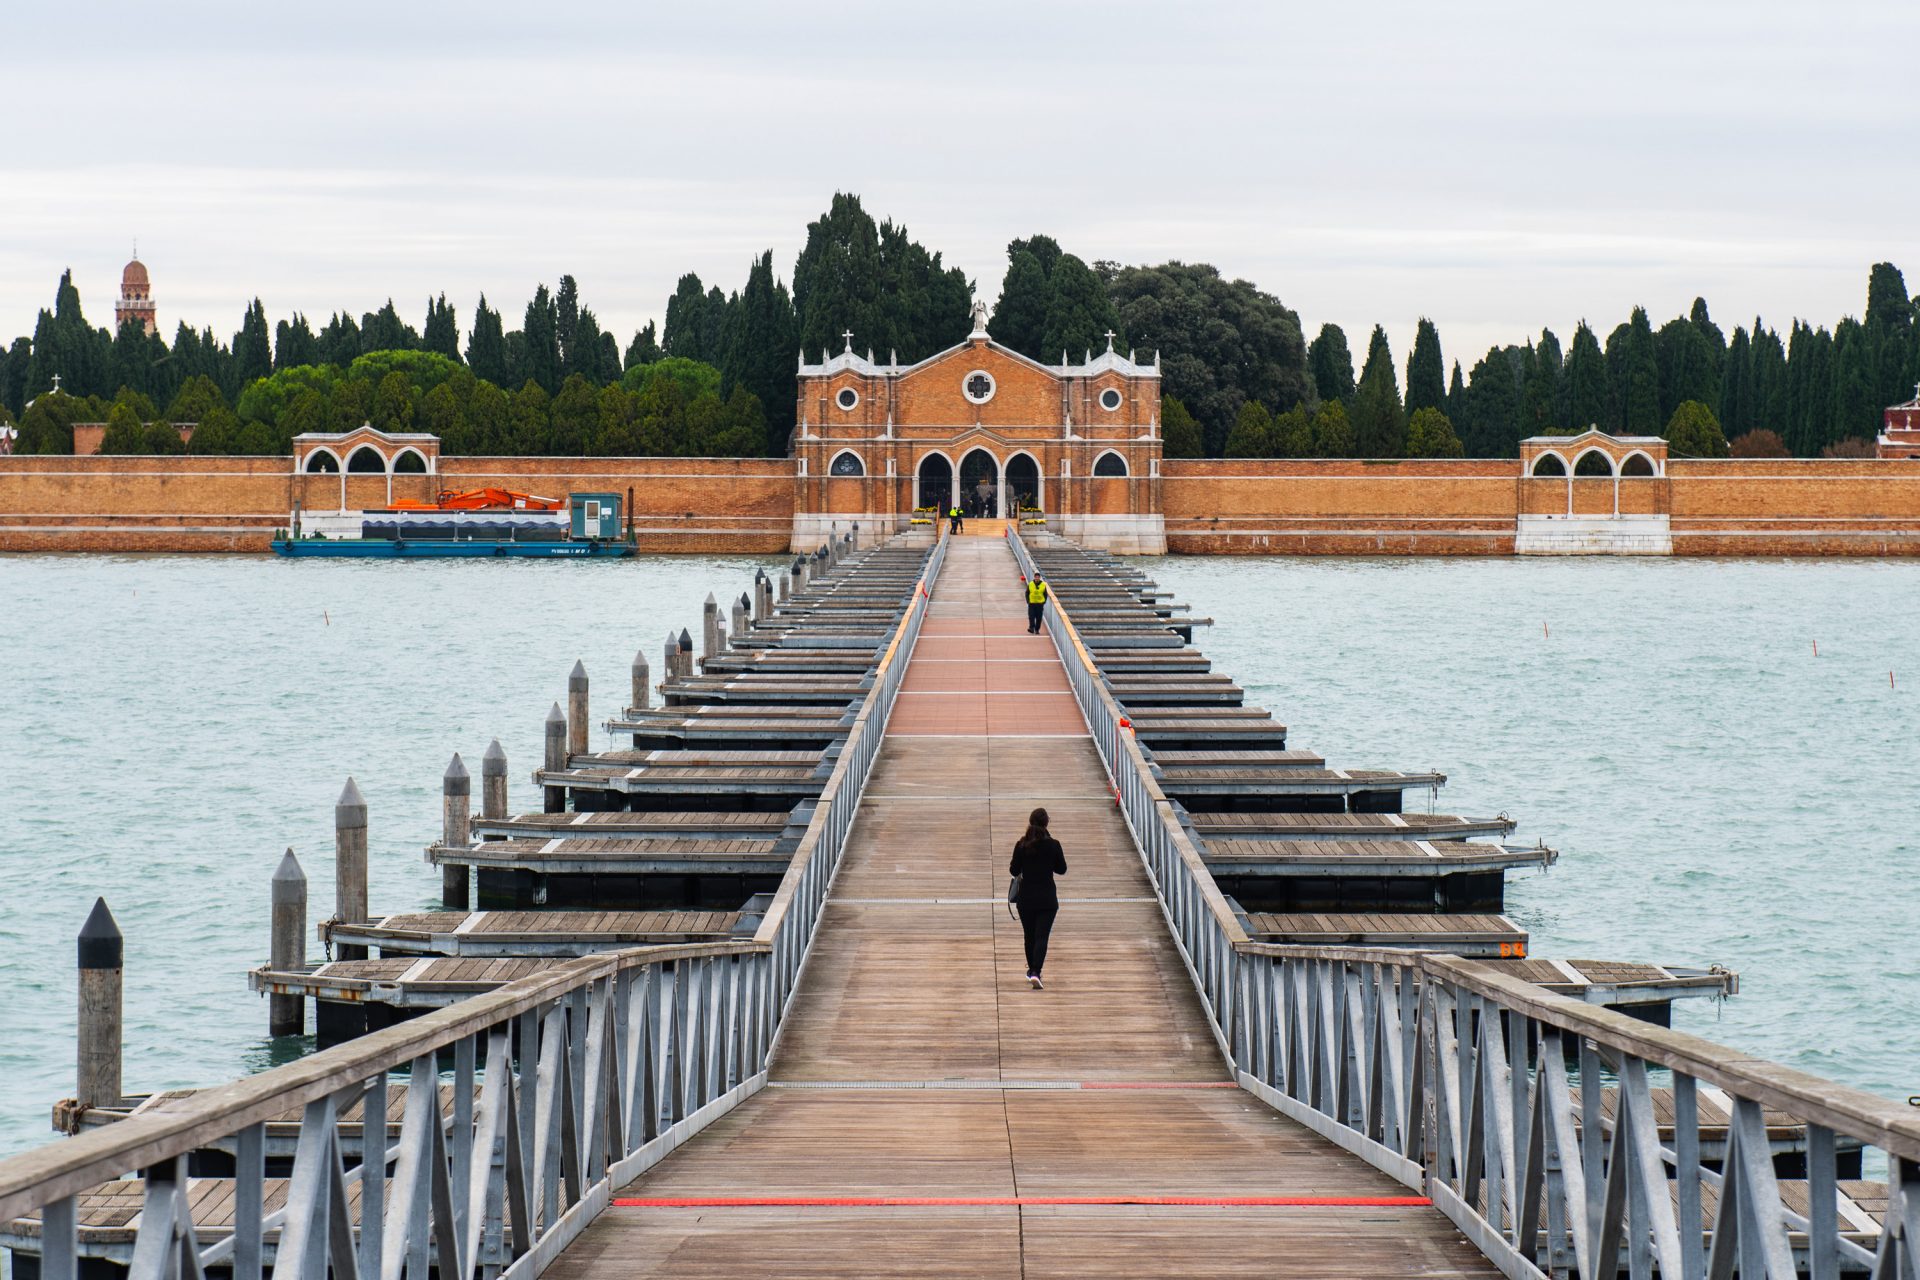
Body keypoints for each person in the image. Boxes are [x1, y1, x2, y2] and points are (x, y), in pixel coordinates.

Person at [1008, 807, 1066, 988]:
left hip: (1026, 899)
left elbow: (1013, 870)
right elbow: (1062, 869)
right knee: (1042, 936)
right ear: (1046, 823)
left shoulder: (1021, 844)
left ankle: (1032, 969)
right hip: (1047, 899)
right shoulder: (1054, 845)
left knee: (1029, 936)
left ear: (1030, 822)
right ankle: (1035, 972)